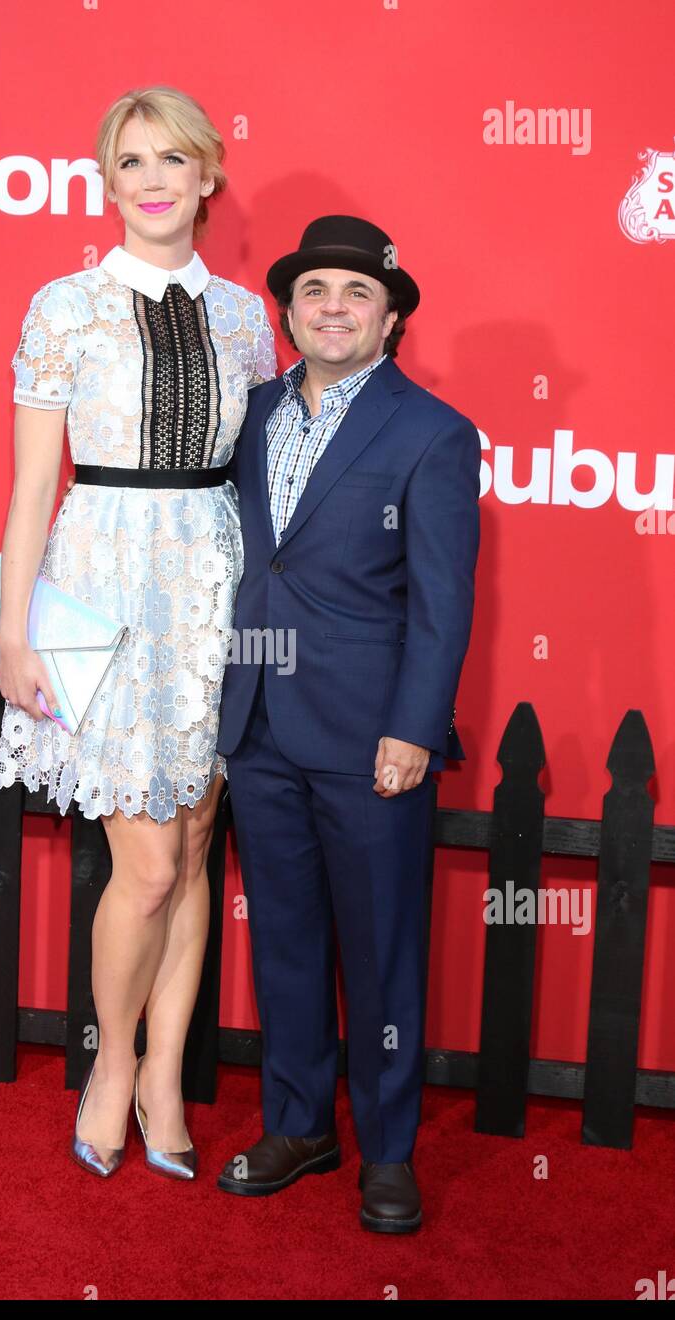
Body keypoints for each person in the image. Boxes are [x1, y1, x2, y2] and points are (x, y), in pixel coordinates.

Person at [0, 86, 276, 1182]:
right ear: (106, 183)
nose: (152, 178)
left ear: (207, 176)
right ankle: (110, 1063)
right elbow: (29, 490)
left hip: (210, 585)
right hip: (97, 581)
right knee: (146, 862)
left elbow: (259, 479)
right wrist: (17, 634)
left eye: (172, 158)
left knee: (198, 843)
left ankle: (165, 1073)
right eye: (129, 161)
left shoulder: (250, 318)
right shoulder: (62, 306)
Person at [214, 215, 481, 1232]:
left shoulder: (431, 433)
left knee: (378, 953)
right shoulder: (250, 416)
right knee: (282, 940)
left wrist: (413, 728)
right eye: (314, 289)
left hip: (373, 736)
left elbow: (442, 600)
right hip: (260, 721)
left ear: (391, 316)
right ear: (286, 311)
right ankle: (297, 1123)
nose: (332, 306)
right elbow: (245, 566)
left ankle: (388, 1149)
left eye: (356, 292)